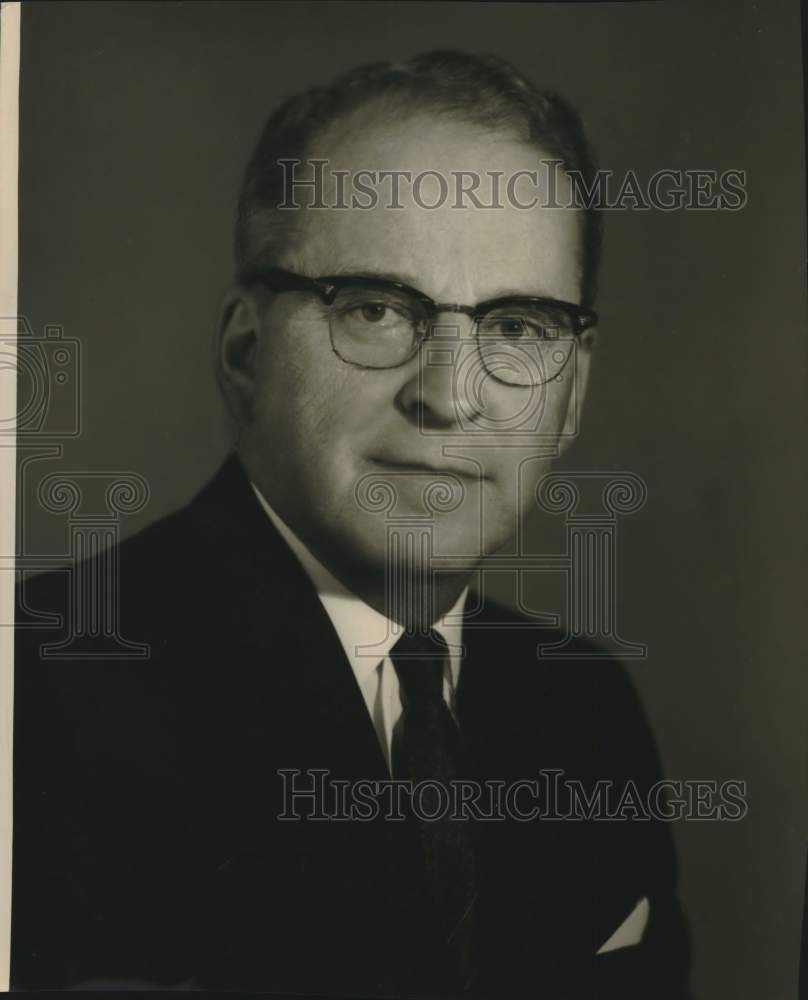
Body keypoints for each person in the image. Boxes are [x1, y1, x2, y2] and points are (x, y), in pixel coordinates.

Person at [12, 50, 690, 997]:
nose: (452, 400)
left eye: (518, 328)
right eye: (375, 309)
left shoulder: (586, 713)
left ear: (572, 393)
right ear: (244, 353)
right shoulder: (42, 698)